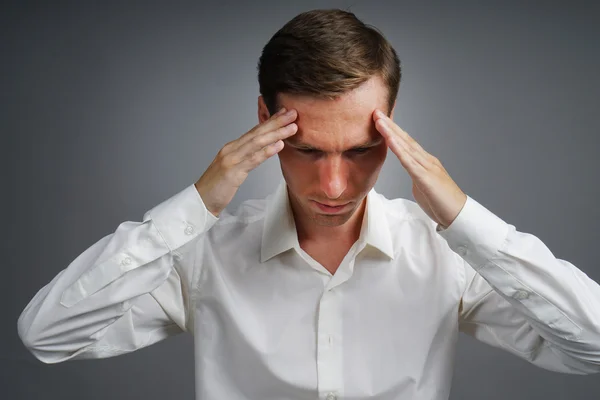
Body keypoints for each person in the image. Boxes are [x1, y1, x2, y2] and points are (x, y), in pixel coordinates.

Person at [17, 8, 600, 400]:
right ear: (265, 124)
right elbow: (47, 337)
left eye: (362, 150)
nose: (335, 186)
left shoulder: (445, 253)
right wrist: (198, 203)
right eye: (308, 151)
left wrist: (463, 218)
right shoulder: (204, 254)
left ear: (391, 128)